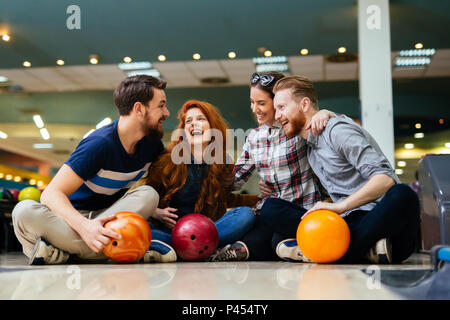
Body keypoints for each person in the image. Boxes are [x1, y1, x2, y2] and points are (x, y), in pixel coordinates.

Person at [12, 75, 174, 265]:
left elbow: (167, 173)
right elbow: (51, 194)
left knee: (149, 195)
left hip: (108, 218)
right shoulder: (99, 144)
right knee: (23, 211)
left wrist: (154, 212)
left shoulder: (151, 145)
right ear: (139, 108)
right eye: (161, 105)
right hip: (69, 220)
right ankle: (114, 249)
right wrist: (85, 227)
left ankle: (63, 253)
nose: (167, 112)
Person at [270, 75, 421, 264]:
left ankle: (328, 252)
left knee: (403, 194)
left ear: (305, 104)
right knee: (271, 209)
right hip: (347, 224)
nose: (276, 116)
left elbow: (385, 179)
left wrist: (339, 207)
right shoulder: (307, 145)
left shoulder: (337, 131)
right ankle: (366, 249)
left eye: (281, 108)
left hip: (379, 218)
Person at [209, 72, 334, 262]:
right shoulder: (254, 137)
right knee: (260, 239)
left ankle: (307, 245)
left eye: (261, 103)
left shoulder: (296, 127)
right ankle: (298, 247)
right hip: (269, 215)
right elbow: (235, 181)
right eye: (252, 102)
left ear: (277, 102)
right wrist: (218, 167)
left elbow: (324, 123)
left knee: (269, 224)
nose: (254, 109)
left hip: (300, 210)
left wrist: (326, 113)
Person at [135, 99, 257, 260]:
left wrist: (260, 200)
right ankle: (204, 249)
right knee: (144, 229)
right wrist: (156, 212)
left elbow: (224, 199)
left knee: (245, 215)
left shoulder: (223, 161)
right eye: (188, 121)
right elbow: (146, 195)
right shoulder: (167, 159)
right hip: (170, 231)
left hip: (207, 231)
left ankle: (178, 250)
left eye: (201, 119)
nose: (193, 124)